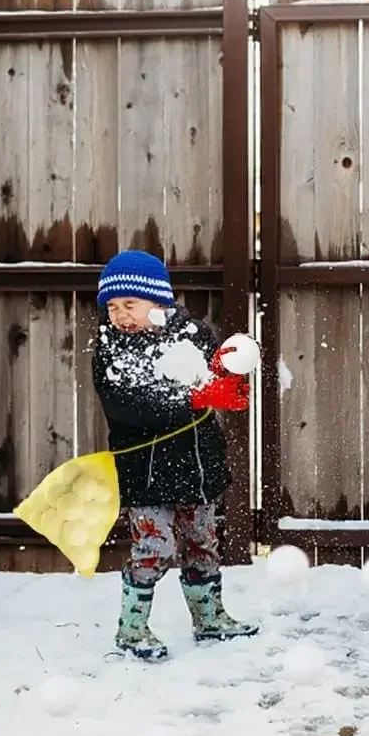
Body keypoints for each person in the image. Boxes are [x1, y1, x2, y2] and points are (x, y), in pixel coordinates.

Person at [92, 249, 258, 661]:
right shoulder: (111, 351)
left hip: (196, 465)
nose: (120, 315)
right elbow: (129, 405)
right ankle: (132, 627)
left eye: (130, 304)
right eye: (112, 306)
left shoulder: (195, 335)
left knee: (203, 541)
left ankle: (210, 618)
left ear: (159, 301)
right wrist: (195, 397)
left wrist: (228, 381)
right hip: (145, 470)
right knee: (154, 547)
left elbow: (213, 376)